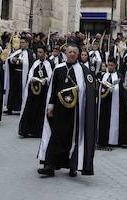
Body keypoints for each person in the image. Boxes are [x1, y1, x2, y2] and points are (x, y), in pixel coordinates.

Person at [37, 44, 97, 177]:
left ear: (78, 54)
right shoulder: (58, 69)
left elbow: (88, 92)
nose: (72, 54)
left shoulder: (83, 71)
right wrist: (50, 106)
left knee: (73, 138)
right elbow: (52, 89)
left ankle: (73, 166)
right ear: (66, 53)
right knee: (56, 136)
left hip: (75, 112)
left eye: (75, 52)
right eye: (69, 52)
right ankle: (50, 165)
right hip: (59, 110)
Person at [97, 59, 127, 149]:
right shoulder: (104, 75)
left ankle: (116, 140)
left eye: (112, 65)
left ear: (115, 66)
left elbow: (122, 92)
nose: (110, 67)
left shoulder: (119, 77)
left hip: (116, 103)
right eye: (108, 65)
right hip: (104, 103)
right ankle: (103, 140)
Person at [18, 44, 53, 138]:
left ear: (45, 53)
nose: (39, 54)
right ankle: (28, 130)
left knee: (41, 111)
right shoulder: (35, 63)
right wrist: (32, 79)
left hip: (43, 92)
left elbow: (51, 76)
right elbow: (30, 75)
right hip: (34, 91)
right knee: (31, 109)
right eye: (38, 52)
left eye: (41, 52)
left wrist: (46, 80)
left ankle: (38, 131)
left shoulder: (49, 64)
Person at [5, 36, 34, 115]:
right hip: (15, 74)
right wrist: (13, 60)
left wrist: (22, 62)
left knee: (21, 92)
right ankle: (10, 108)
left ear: (27, 43)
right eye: (20, 42)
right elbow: (9, 59)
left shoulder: (30, 53)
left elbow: (31, 64)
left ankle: (20, 108)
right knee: (12, 90)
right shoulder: (17, 51)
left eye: (23, 43)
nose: (21, 44)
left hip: (23, 75)